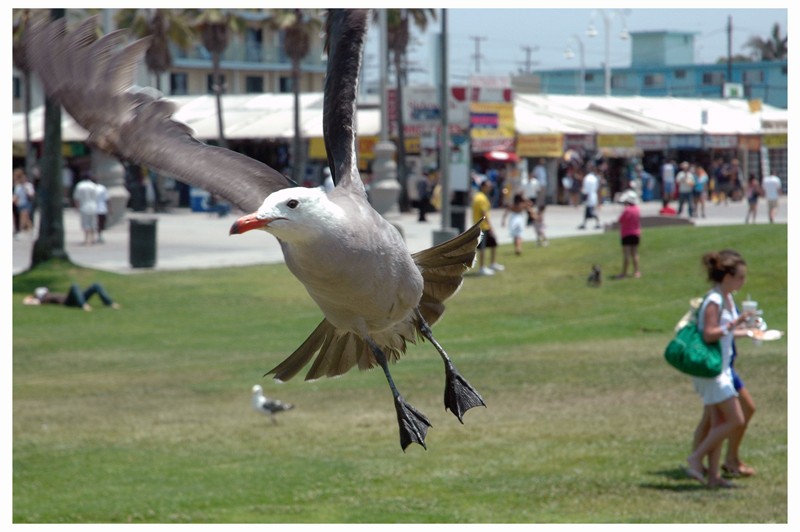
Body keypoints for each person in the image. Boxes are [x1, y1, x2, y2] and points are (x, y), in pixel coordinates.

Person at [685, 249, 756, 489]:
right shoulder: (714, 300)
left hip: (722, 368)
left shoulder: (725, 297)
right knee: (735, 418)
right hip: (713, 370)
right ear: (727, 277)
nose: (743, 281)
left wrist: (745, 332)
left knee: (718, 422)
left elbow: (724, 333)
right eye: (740, 277)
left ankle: (714, 477)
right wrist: (735, 323)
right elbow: (710, 334)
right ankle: (695, 458)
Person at [471, 179, 504, 276]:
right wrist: (491, 227)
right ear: (483, 186)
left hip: (481, 225)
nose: (490, 187)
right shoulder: (481, 198)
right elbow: (484, 214)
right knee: (482, 248)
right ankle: (482, 268)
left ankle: (493, 263)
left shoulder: (478, 196)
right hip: (483, 226)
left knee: (493, 244)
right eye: (488, 186)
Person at [22, 283, 121, 311]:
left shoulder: (49, 295)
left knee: (96, 285)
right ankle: (83, 305)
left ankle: (109, 303)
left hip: (76, 297)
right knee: (75, 286)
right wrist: (31, 297)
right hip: (68, 301)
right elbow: (28, 301)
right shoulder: (45, 299)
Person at [612, 190, 641, 279]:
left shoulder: (627, 211)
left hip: (626, 234)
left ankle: (624, 273)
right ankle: (636, 271)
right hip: (636, 233)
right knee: (635, 253)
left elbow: (620, 220)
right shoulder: (637, 209)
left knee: (626, 254)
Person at [501, 191, 533, 255]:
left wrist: (503, 220)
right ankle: (519, 248)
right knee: (519, 234)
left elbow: (506, 213)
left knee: (515, 235)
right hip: (520, 218)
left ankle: (517, 247)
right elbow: (531, 203)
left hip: (513, 218)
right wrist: (525, 198)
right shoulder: (523, 205)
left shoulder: (512, 205)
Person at [72, 174, 99, 245]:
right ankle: (93, 238)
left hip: (84, 206)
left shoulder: (80, 186)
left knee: (85, 224)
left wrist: (77, 207)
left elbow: (76, 198)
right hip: (93, 206)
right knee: (93, 223)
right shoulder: (94, 186)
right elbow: (97, 197)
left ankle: (86, 239)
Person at [577, 162, 601, 229]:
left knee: (590, 211)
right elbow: (597, 188)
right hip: (594, 195)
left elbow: (585, 189)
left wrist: (583, 197)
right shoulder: (595, 178)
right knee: (588, 211)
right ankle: (585, 224)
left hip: (589, 196)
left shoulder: (586, 178)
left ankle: (597, 223)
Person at [13, 168, 35, 234]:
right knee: (23, 219)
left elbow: (31, 194)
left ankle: (24, 230)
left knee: (24, 217)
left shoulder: (28, 185)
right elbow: (16, 196)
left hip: (26, 204)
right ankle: (26, 229)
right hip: (19, 204)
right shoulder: (18, 186)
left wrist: (26, 190)